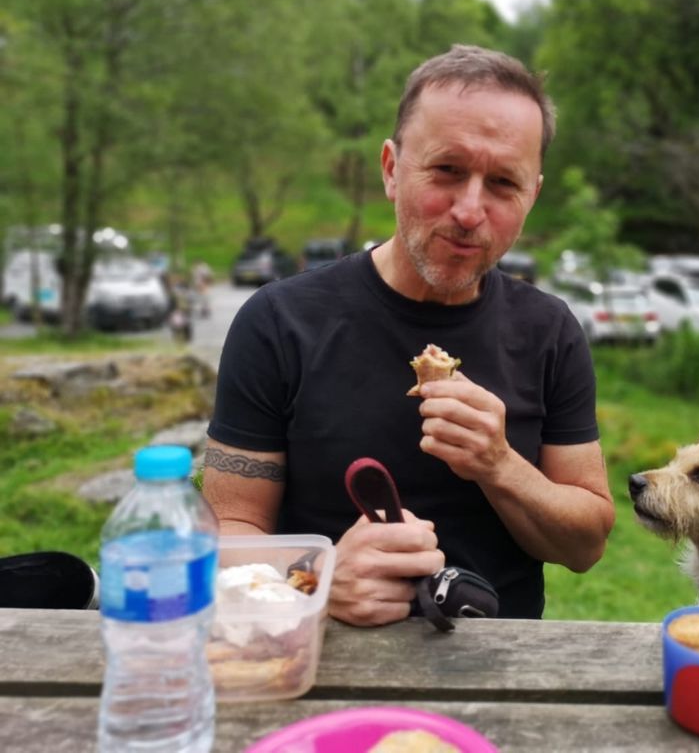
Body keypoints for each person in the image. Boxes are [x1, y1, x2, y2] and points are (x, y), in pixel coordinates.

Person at [203, 45, 615, 627]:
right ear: (392, 169)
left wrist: (500, 465)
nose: (469, 210)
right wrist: (315, 578)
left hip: (500, 664)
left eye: (503, 183)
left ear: (532, 196)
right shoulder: (279, 322)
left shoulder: (550, 333)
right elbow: (227, 532)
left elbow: (585, 546)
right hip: (324, 653)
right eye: (447, 170)